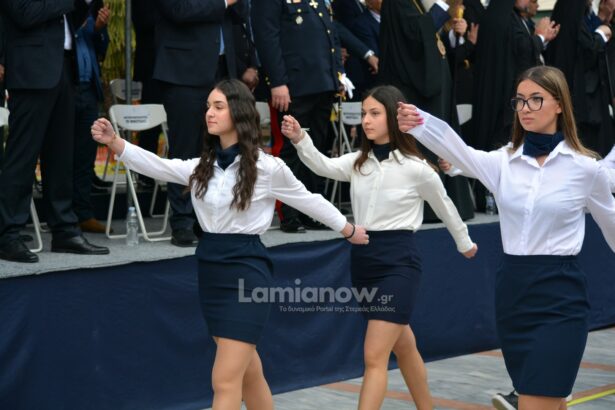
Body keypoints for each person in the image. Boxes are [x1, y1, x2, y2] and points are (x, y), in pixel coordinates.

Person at [91, 79, 369, 410]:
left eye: (218, 107)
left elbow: (309, 200)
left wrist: (348, 229)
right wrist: (116, 143)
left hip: (248, 273)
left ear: (238, 112)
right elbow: (159, 166)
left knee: (224, 381)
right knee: (249, 374)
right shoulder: (201, 167)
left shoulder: (268, 167)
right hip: (211, 271)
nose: (209, 112)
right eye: (208, 106)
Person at [398, 65, 615, 410]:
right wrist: (420, 122)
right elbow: (459, 151)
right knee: (545, 397)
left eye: (536, 99)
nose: (525, 108)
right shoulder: (503, 163)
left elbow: (612, 224)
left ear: (560, 104)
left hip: (561, 297)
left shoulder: (587, 168)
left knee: (534, 400)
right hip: (513, 295)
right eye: (520, 100)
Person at [281, 85, 477, 410]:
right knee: (404, 346)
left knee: (374, 356)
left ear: (393, 117)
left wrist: (464, 242)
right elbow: (322, 166)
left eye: (375, 113)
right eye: (364, 114)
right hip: (363, 261)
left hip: (399, 263)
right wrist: (301, 138)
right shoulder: (358, 163)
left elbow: (445, 206)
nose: (366, 120)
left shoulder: (416, 168)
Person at [0, 0, 109, 263]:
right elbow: (24, 13)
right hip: (31, 69)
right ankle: (8, 234)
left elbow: (74, 20)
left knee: (61, 156)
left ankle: (64, 230)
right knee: (22, 157)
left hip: (64, 68)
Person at [153, 0, 245, 247]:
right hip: (184, 70)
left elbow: (240, 15)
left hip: (221, 69)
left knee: (219, 148)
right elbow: (178, 9)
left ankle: (209, 218)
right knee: (185, 148)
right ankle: (182, 221)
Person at [251, 0, 344, 233]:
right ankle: (289, 213)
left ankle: (313, 211)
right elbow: (266, 37)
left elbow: (330, 33)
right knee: (289, 151)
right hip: (292, 87)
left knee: (316, 148)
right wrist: (277, 81)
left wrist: (337, 75)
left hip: (322, 82)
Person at [379, 0, 475, 222]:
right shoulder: (398, 4)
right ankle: (430, 208)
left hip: (434, 89)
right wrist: (442, 5)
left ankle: (449, 204)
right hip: (414, 91)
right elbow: (416, 33)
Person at [545, 0, 614, 157]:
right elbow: (586, 52)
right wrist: (601, 35)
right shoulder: (573, 10)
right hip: (583, 98)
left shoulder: (571, 9)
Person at [73, 2, 111, 233]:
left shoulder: (95, 4)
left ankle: (83, 213)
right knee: (62, 154)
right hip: (65, 86)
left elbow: (102, 49)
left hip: (89, 88)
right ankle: (62, 215)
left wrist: (98, 28)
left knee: (86, 155)